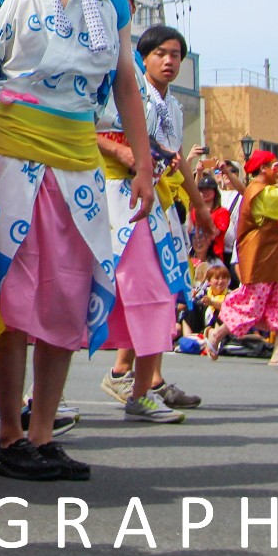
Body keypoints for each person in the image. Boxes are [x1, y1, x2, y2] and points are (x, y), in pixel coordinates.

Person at [0, 0, 157, 484]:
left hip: (78, 163)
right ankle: (10, 430)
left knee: (64, 300)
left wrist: (146, 166)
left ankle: (43, 431)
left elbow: (126, 85)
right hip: (11, 158)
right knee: (10, 299)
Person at [94, 23, 204, 414]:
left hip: (151, 203)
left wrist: (201, 207)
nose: (169, 61)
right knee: (81, 293)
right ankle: (38, 397)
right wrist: (121, 153)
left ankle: (142, 388)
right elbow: (84, 127)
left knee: (159, 291)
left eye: (176, 55)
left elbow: (175, 160)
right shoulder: (117, 83)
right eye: (161, 53)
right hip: (107, 196)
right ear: (143, 56)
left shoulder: (171, 106)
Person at [214, 151, 278, 366]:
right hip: (259, 257)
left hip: (273, 256)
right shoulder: (260, 191)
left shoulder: (260, 190)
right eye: (274, 166)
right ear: (263, 169)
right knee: (252, 305)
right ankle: (216, 335)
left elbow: (277, 210)